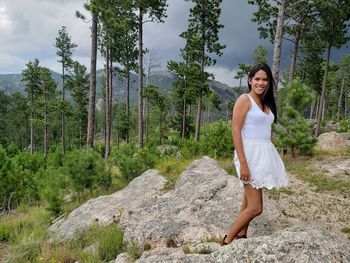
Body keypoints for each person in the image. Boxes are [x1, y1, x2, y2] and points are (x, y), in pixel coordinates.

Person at [220, 63, 288, 245]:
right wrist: (243, 162)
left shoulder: (266, 103)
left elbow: (266, 130)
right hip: (249, 155)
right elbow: (235, 130)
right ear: (250, 80)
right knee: (256, 208)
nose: (261, 83)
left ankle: (242, 236)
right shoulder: (244, 99)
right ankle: (227, 240)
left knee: (248, 201)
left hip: (264, 153)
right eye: (257, 79)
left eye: (265, 79)